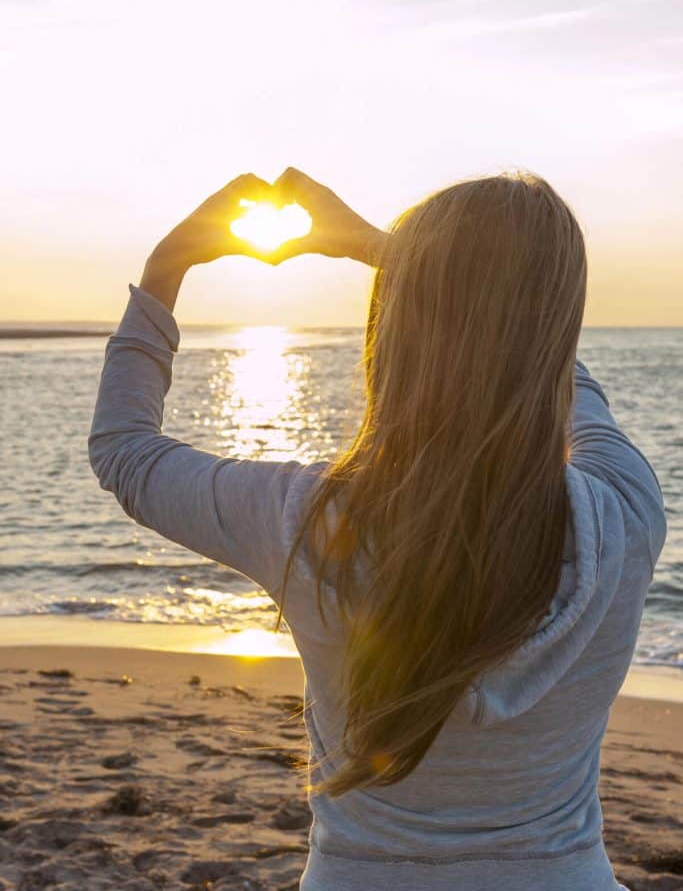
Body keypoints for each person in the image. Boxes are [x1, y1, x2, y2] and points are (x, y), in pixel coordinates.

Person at [89, 167, 666, 891]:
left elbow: (125, 452)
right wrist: (385, 250)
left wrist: (167, 265)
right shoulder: (625, 508)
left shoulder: (305, 518)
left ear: (395, 329)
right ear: (556, 325)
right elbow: (561, 380)